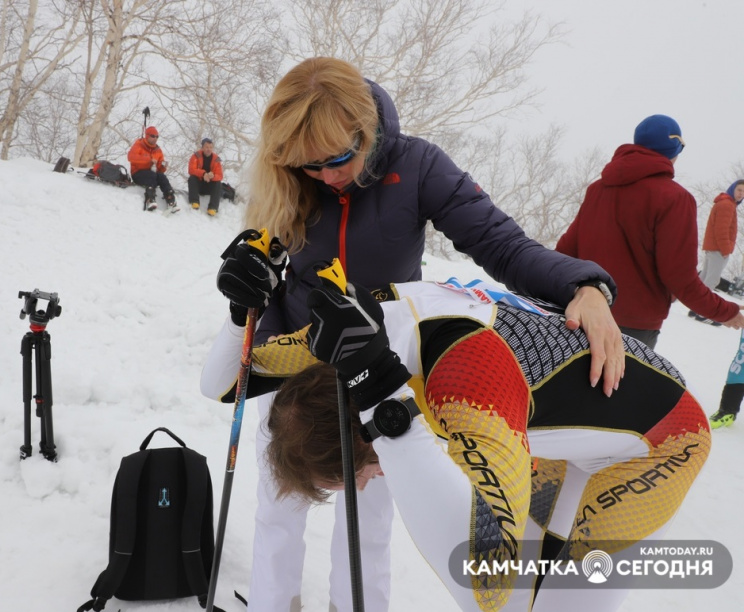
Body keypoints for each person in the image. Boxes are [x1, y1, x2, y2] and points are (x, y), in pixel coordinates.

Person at [228, 56, 624, 612]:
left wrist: (582, 285)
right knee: (279, 506)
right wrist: (257, 334)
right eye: (307, 166)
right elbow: (268, 278)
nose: (325, 176)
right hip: (299, 363)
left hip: (377, 368)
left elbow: (499, 243)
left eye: (338, 158)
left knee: (367, 519)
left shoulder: (416, 165)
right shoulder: (290, 177)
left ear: (367, 129)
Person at [201, 270, 711, 612]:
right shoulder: (347, 344)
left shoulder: (462, 383)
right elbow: (226, 383)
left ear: (371, 443)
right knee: (529, 593)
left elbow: (486, 582)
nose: (375, 480)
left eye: (361, 473)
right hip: (556, 434)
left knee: (565, 597)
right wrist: (238, 310)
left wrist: (386, 406)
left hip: (662, 442)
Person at [556, 114, 744, 348]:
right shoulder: (675, 199)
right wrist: (725, 311)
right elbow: (680, 277)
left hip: (580, 314)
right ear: (674, 148)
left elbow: (565, 251)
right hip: (631, 330)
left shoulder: (598, 189)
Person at [697, 179, 744, 289]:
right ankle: (700, 306)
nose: (741, 194)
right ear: (733, 189)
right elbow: (721, 230)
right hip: (718, 250)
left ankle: (694, 305)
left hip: (714, 248)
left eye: (743, 192)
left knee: (704, 280)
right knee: (711, 282)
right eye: (739, 190)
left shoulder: (727, 203)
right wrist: (726, 249)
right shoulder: (727, 205)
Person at [127, 125, 177, 211]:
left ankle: (170, 199)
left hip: (152, 174)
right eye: (153, 136)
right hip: (138, 173)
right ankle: (150, 199)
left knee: (162, 177)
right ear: (147, 135)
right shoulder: (139, 144)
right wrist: (148, 160)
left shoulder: (158, 150)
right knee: (152, 175)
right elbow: (131, 157)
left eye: (157, 136)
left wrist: (163, 166)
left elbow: (160, 170)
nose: (155, 138)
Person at [188, 137, 224, 215]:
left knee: (218, 183)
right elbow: (191, 170)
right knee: (192, 178)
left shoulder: (216, 159)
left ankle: (213, 208)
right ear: (202, 147)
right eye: (207, 147)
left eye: (211, 147)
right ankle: (194, 202)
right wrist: (203, 174)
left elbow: (220, 175)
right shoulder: (195, 156)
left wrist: (212, 176)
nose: (209, 149)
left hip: (209, 185)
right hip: (199, 184)